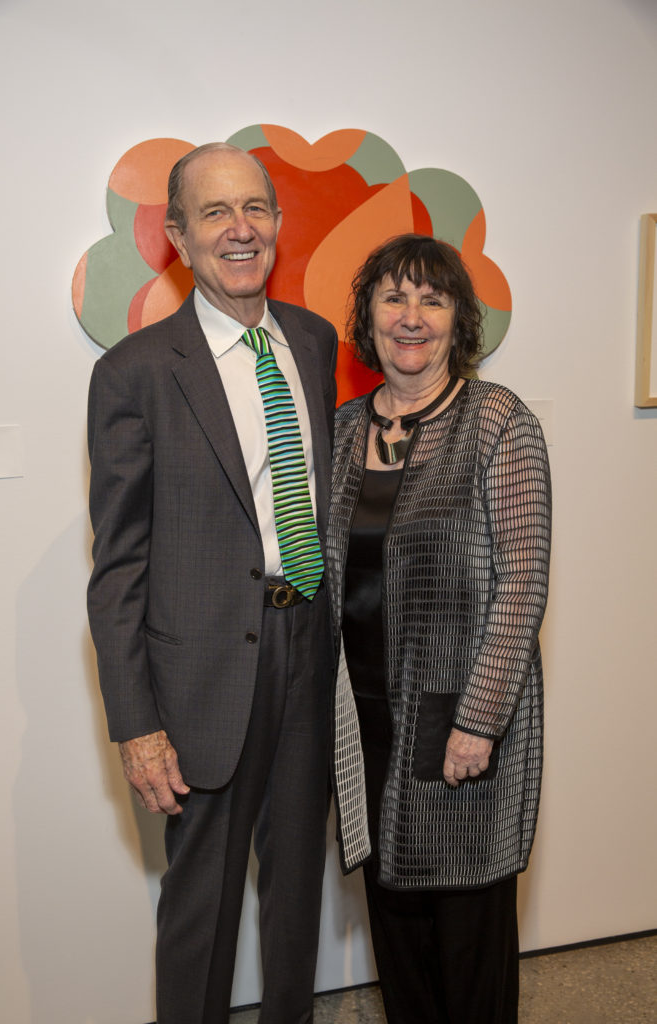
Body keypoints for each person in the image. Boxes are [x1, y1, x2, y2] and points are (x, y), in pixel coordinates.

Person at [87, 142, 338, 1024]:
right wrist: (135, 726)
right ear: (180, 239)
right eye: (216, 214)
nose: (241, 230)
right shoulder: (135, 373)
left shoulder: (312, 341)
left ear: (276, 223)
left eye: (255, 209)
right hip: (200, 678)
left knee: (299, 899)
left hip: (308, 644)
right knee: (201, 911)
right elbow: (116, 565)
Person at [326, 234, 552, 1023]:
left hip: (460, 724)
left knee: (466, 938)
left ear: (458, 320)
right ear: (368, 317)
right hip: (365, 722)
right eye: (393, 297)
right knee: (395, 928)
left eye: (432, 298)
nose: (410, 316)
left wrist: (478, 722)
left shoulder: (498, 422)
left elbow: (522, 583)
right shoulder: (345, 430)